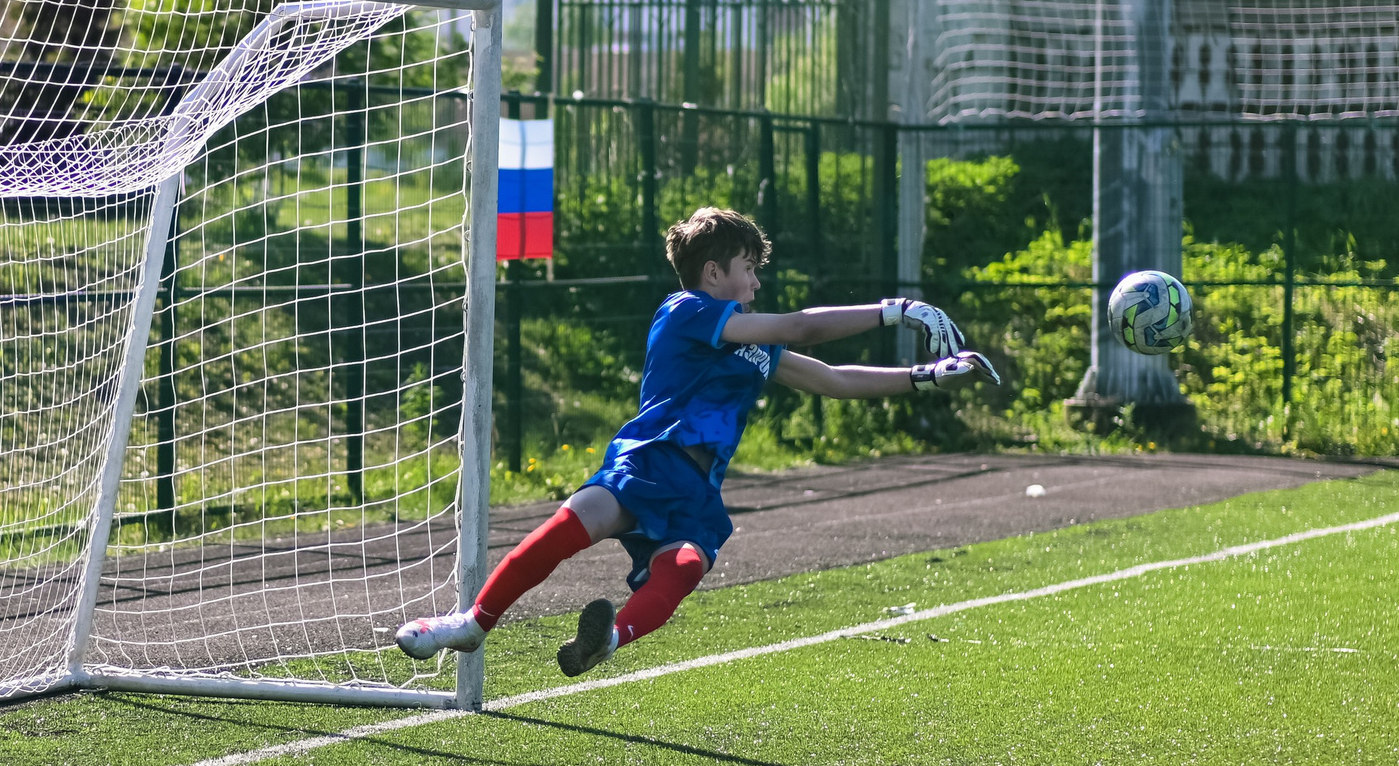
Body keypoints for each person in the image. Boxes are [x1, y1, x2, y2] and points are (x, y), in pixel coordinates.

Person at [395, 207, 997, 679]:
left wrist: (923, 377)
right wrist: (897, 311)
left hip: (696, 493)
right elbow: (802, 324)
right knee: (562, 532)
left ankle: (606, 639)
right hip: (648, 460)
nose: (756, 284)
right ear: (715, 273)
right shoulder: (687, 309)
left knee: (682, 566)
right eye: (748, 270)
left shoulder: (752, 343)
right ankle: (471, 622)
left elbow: (833, 379)